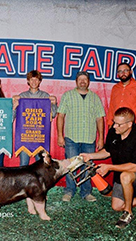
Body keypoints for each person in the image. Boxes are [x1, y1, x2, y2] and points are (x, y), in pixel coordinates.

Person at [80, 107, 136, 228]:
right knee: (116, 206)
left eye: (119, 124)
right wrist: (90, 155)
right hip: (121, 172)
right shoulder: (114, 132)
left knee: (125, 176)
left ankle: (128, 213)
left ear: (129, 124)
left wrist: (109, 167)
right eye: (114, 122)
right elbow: (107, 151)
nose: (115, 126)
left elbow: (135, 167)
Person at [57, 71, 105, 202]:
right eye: (80, 79)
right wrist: (60, 135)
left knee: (88, 166)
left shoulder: (95, 97)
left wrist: (101, 138)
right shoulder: (68, 95)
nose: (82, 81)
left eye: (85, 79)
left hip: (89, 138)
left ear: (88, 81)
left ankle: (86, 192)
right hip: (71, 137)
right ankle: (69, 191)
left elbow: (100, 118)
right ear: (76, 81)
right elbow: (60, 115)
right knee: (71, 165)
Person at [13, 70, 58, 166]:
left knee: (40, 166)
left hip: (40, 137)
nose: (34, 82)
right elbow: (13, 116)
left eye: (36, 80)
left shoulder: (46, 96)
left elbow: (52, 114)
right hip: (25, 137)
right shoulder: (22, 96)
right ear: (28, 81)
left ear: (40, 81)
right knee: (24, 165)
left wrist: (54, 104)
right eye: (31, 80)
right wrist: (14, 106)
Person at [107, 62, 136, 136]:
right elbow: (111, 108)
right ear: (118, 74)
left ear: (130, 72)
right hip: (117, 126)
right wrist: (110, 125)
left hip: (134, 126)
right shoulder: (115, 88)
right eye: (120, 71)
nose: (123, 73)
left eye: (125, 70)